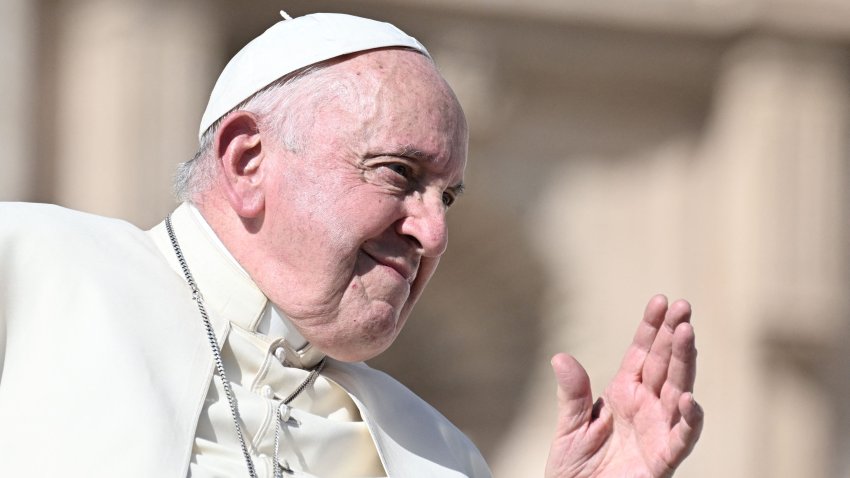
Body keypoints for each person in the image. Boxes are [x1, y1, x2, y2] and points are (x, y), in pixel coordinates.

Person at [0, 12, 702, 478]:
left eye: (447, 196)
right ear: (247, 161)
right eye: (399, 174)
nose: (434, 233)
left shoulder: (440, 455)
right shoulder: (31, 270)